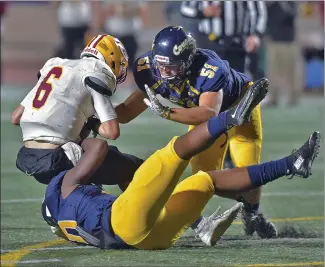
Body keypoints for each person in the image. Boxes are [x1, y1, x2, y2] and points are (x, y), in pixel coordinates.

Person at [42, 80, 320, 250]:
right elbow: (100, 146)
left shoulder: (69, 220)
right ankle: (230, 118)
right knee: (174, 152)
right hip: (123, 221)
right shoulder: (61, 185)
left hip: (147, 241)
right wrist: (81, 143)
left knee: (206, 180)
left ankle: (292, 163)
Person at [114, 26, 275, 238]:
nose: (164, 72)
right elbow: (126, 113)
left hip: (239, 106)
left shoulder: (209, 69)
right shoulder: (149, 69)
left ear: (188, 61)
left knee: (247, 174)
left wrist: (167, 113)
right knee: (203, 178)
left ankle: (253, 213)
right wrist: (96, 115)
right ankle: (238, 209)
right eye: (160, 65)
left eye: (171, 67)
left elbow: (208, 113)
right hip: (204, 117)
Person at [11, 34, 132, 186]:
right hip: (58, 158)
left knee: (94, 159)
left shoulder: (56, 65)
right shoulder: (95, 71)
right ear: (111, 58)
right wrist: (92, 122)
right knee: (127, 165)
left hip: (27, 157)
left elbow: (16, 117)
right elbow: (111, 132)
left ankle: (70, 195)